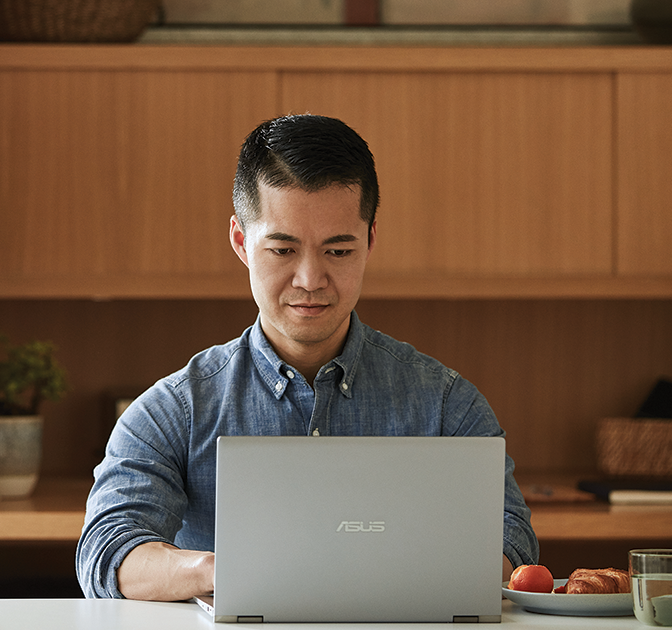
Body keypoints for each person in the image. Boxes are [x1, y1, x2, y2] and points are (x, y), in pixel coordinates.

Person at [75, 114, 539, 601]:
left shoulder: (446, 404)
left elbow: (513, 544)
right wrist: (225, 569)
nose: (310, 280)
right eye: (283, 250)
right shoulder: (176, 410)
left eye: (338, 252)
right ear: (241, 242)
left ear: (369, 241)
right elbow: (107, 555)